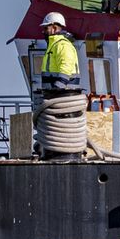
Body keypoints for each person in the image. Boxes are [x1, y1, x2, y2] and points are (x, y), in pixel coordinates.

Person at [36, 11, 84, 160]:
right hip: (52, 98)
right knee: (48, 128)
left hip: (62, 98)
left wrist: (58, 87)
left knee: (61, 129)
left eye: (46, 28)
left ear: (55, 28)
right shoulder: (53, 46)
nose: (43, 31)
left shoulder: (62, 45)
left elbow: (66, 66)